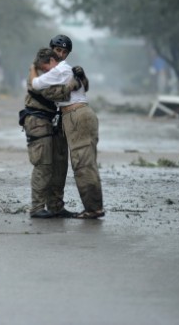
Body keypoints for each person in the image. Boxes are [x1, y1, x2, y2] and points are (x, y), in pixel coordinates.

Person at [29, 47, 105, 219]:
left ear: (50, 61)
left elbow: (36, 85)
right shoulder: (70, 70)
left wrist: (32, 69)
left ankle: (94, 209)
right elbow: (83, 86)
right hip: (73, 117)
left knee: (83, 165)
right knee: (78, 163)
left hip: (76, 115)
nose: (44, 72)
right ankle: (86, 207)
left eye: (44, 68)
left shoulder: (59, 69)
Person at [20, 35, 80, 219]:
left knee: (60, 166)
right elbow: (50, 92)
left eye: (64, 52)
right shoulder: (39, 68)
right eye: (58, 50)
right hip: (38, 121)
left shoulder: (61, 70)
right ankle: (37, 207)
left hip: (55, 121)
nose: (60, 54)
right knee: (43, 164)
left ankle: (55, 206)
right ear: (51, 49)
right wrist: (70, 87)